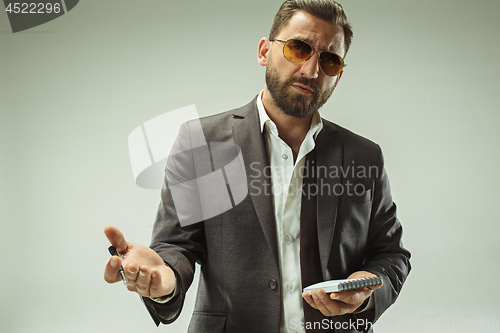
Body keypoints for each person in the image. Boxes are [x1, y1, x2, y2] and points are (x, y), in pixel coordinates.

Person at [104, 1, 411, 332]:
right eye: (298, 48)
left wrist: (365, 288)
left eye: (329, 60)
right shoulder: (205, 143)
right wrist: (164, 278)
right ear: (265, 51)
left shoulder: (363, 155)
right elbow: (177, 246)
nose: (311, 71)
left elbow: (391, 255)